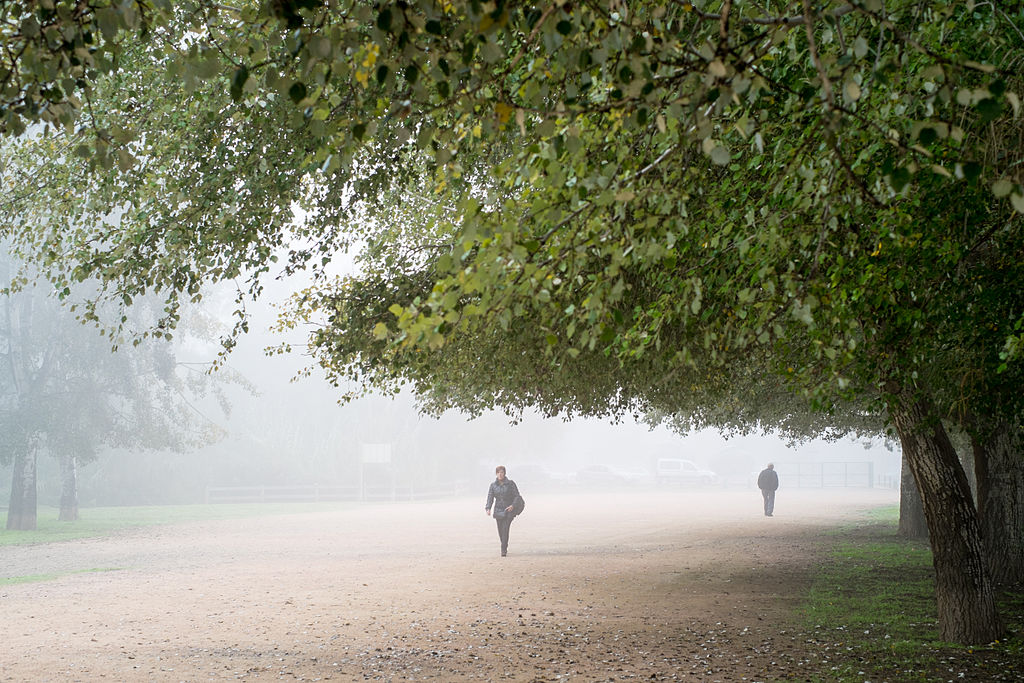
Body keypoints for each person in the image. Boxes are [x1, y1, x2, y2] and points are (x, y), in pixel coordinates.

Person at [485, 465, 521, 557]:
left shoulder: (511, 484)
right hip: (498, 510)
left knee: (505, 529)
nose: (500, 474)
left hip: (508, 510)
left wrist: (513, 505)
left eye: (502, 472)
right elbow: (490, 497)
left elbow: (517, 496)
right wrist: (488, 508)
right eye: (498, 473)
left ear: (504, 473)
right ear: (496, 474)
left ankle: (503, 549)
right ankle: (503, 544)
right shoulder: (493, 485)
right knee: (500, 531)